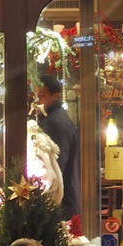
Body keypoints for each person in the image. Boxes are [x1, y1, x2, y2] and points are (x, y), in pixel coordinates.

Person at [36, 77, 81, 222]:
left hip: (61, 200)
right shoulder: (54, 118)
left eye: (42, 95)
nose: (37, 100)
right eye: (36, 95)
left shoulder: (56, 123)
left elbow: (56, 165)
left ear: (55, 96)